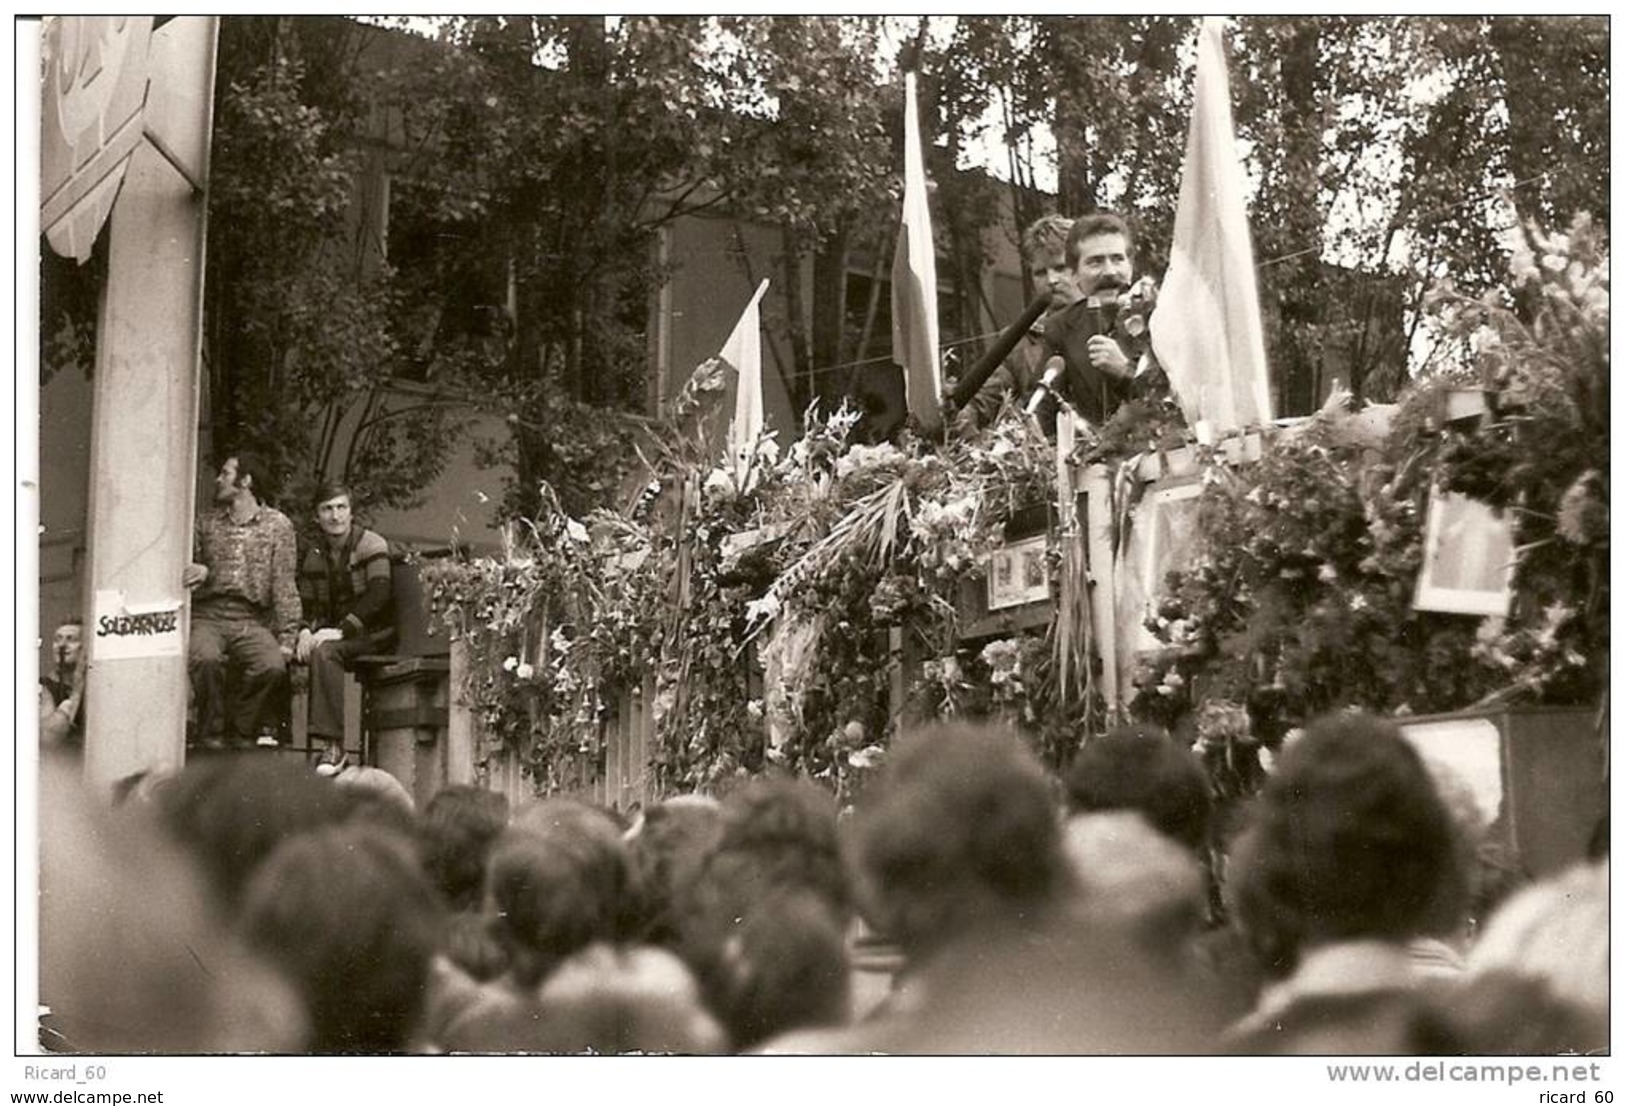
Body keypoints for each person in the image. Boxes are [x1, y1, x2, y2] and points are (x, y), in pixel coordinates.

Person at [185, 452, 300, 750]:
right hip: (208, 615)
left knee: (272, 665)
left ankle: (241, 732)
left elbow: (284, 584)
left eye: (225, 473)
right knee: (205, 659)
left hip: (250, 619)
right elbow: (188, 565)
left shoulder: (278, 525)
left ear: (245, 480)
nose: (218, 479)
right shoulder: (205, 522)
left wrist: (287, 638)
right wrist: (200, 569)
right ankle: (209, 734)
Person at [294, 482, 396, 769]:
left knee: (325, 651)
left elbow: (380, 595)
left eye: (341, 507)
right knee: (283, 651)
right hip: (335, 634)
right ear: (316, 516)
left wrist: (341, 630)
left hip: (375, 633)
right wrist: (304, 630)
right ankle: (271, 740)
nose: (335, 516)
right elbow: (308, 601)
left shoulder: (371, 544)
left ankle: (333, 747)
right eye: (327, 509)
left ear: (351, 512)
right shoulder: (315, 553)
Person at [953, 213, 1082, 433]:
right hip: (1045, 456)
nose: (1051, 280)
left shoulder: (1115, 323)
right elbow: (984, 401)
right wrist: (956, 413)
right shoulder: (1017, 339)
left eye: (1060, 267)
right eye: (1040, 272)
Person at [1039, 211, 1164, 430]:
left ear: (1130, 265)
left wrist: (1126, 371)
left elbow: (1181, 400)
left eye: (1117, 259)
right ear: (1074, 274)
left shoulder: (1162, 318)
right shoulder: (1060, 327)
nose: (1109, 272)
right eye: (1095, 262)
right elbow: (1045, 412)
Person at [40, 617, 85, 750]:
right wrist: (76, 691)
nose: (62, 645)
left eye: (71, 639)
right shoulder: (43, 687)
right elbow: (49, 738)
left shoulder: (96, 685)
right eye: (57, 639)